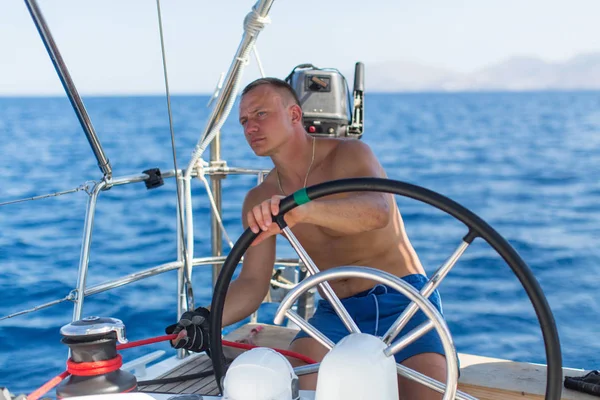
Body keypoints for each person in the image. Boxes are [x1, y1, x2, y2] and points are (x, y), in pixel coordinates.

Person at [167, 77, 448, 400]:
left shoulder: (350, 155)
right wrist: (206, 317)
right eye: (244, 120)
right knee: (288, 393)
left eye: (261, 114)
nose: (250, 127)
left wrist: (301, 209)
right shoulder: (261, 197)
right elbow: (253, 283)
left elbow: (377, 212)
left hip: (403, 303)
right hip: (335, 312)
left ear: (295, 115)